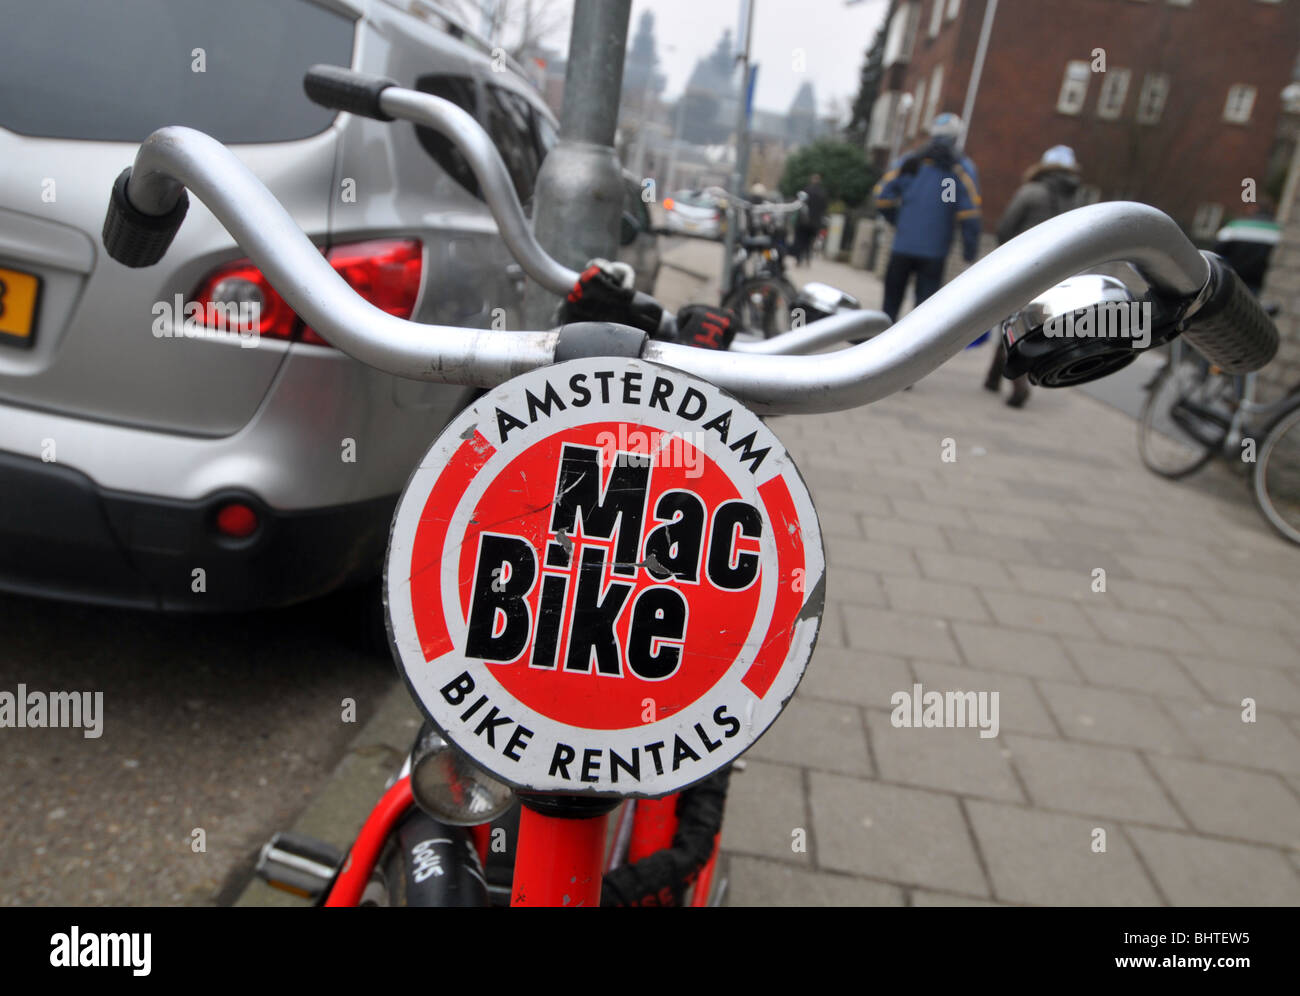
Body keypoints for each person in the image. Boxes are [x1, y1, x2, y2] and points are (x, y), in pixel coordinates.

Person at [982, 144, 1082, 407]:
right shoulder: (1075, 200)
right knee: (1026, 323)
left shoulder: (1031, 192)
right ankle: (993, 377)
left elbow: (1005, 227)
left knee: (1011, 323)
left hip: (1023, 268)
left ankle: (1019, 385)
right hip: (1055, 273)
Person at [873, 113, 982, 325]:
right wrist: (970, 252)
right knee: (923, 315)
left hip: (902, 247)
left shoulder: (910, 162)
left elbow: (881, 196)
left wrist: (899, 221)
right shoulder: (961, 169)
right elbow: (970, 214)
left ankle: (881, 349)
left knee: (889, 309)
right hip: (935, 251)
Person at [1212, 200, 1280, 296]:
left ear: (1254, 209)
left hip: (1230, 278)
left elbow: (1217, 250)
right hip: (1256, 283)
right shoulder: (1278, 232)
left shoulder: (1235, 226)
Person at [794, 173, 828, 266]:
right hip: (815, 223)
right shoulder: (822, 193)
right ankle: (808, 258)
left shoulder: (806, 190)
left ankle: (799, 259)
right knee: (809, 241)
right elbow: (824, 208)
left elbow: (799, 204)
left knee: (800, 240)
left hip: (803, 221)